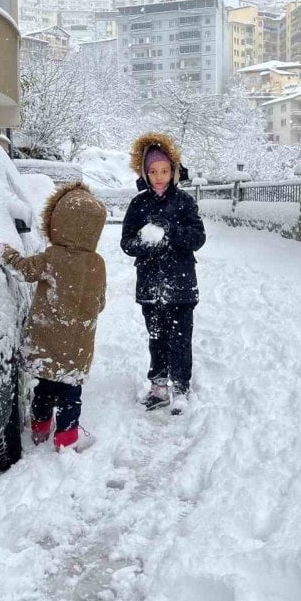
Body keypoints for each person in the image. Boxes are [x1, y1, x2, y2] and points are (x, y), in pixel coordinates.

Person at [0, 182, 107, 451]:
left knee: (45, 388)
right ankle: (66, 437)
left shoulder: (53, 257)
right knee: (70, 393)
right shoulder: (97, 263)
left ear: (57, 222)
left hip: (47, 342)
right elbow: (100, 303)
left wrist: (2, 250)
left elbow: (24, 270)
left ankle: (40, 429)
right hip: (78, 345)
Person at [120, 133, 206, 413]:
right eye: (153, 171)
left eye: (164, 171)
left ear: (173, 172)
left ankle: (180, 388)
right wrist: (144, 242)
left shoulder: (183, 202)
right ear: (145, 173)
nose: (159, 176)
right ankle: (158, 387)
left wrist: (171, 233)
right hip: (150, 286)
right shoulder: (138, 204)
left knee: (181, 339)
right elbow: (126, 243)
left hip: (180, 285)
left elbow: (198, 237)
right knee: (156, 337)